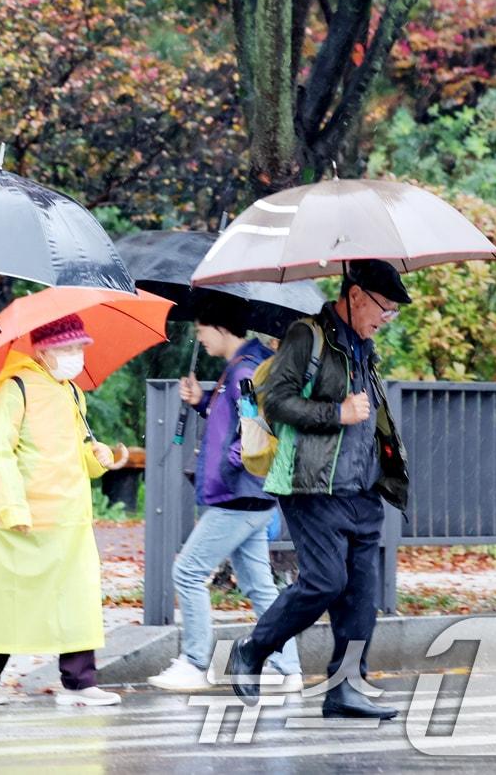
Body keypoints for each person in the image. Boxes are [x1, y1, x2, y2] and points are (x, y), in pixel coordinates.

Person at [226, 260, 411, 719]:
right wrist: (337, 413)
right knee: (326, 581)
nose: (384, 320)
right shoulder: (305, 337)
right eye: (383, 309)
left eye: (391, 314)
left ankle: (345, 688)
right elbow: (277, 401)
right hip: (310, 486)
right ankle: (252, 649)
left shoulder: (365, 349)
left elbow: (371, 416)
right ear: (355, 295)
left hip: (362, 490)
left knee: (360, 597)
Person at [0, 313, 124, 707]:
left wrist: (98, 456)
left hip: (68, 519)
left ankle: (80, 681)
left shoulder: (72, 392)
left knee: (76, 599)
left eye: (78, 348)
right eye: (66, 348)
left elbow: (75, 453)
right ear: (42, 349)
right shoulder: (13, 388)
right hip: (19, 520)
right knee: (5, 599)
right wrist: (15, 507)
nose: (75, 356)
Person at [147, 295, 302, 693]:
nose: (199, 339)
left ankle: (197, 662)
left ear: (219, 328)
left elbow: (259, 427)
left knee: (188, 571)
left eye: (201, 330)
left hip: (239, 494)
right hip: (250, 494)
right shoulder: (237, 369)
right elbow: (236, 421)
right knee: (259, 586)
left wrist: (233, 461)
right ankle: (287, 669)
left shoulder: (243, 372)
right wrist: (201, 402)